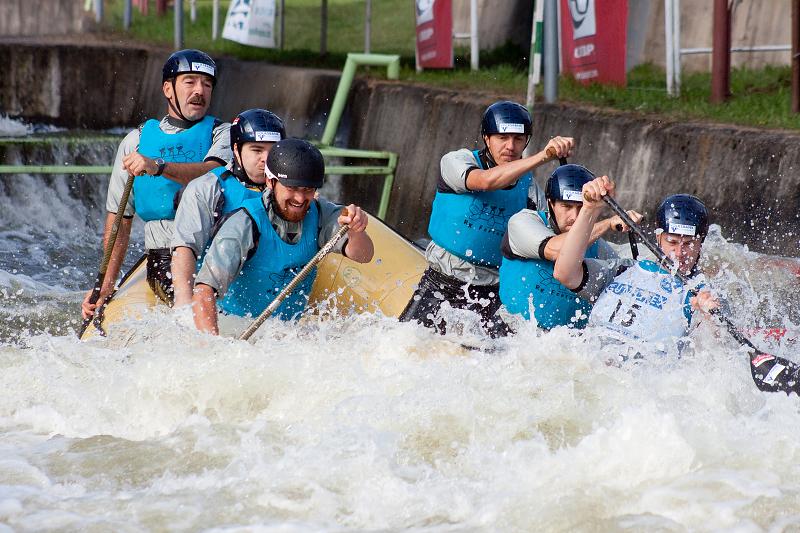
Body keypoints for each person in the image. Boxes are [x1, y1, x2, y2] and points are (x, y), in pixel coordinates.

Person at [399, 100, 575, 338]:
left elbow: (555, 238)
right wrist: (544, 156)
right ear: (486, 138)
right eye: (503, 138)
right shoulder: (457, 161)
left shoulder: (531, 192)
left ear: (526, 142)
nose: (510, 147)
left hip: (492, 293)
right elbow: (485, 182)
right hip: (441, 282)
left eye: (518, 139)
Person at [81, 49, 231, 320]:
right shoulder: (134, 142)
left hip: (220, 254)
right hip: (163, 260)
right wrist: (105, 284)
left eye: (207, 84)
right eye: (190, 82)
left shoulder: (224, 134)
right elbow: (120, 219)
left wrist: (157, 166)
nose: (200, 91)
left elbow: (212, 172)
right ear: (168, 89)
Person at [191, 138, 374, 335]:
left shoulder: (321, 213)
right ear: (270, 182)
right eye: (292, 188)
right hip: (234, 327)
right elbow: (203, 291)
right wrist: (213, 346)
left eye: (308, 190)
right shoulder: (244, 223)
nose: (300, 198)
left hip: (285, 333)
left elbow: (363, 256)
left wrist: (356, 231)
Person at [552, 176, 719, 352]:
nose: (678, 253)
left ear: (701, 243)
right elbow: (564, 273)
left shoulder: (703, 295)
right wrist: (589, 209)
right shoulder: (623, 269)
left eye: (688, 245)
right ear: (657, 237)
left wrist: (710, 320)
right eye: (672, 242)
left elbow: (715, 359)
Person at [499, 164, 642, 329]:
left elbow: (627, 283)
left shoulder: (600, 248)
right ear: (550, 203)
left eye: (581, 207)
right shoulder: (522, 222)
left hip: (563, 346)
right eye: (566, 206)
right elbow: (559, 250)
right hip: (509, 331)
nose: (574, 217)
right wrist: (607, 222)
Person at [171, 108, 286, 307]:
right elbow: (185, 248)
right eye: (257, 150)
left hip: (277, 305)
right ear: (236, 150)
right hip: (222, 307)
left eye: (273, 150)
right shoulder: (205, 188)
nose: (266, 159)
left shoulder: (295, 192)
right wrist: (184, 304)